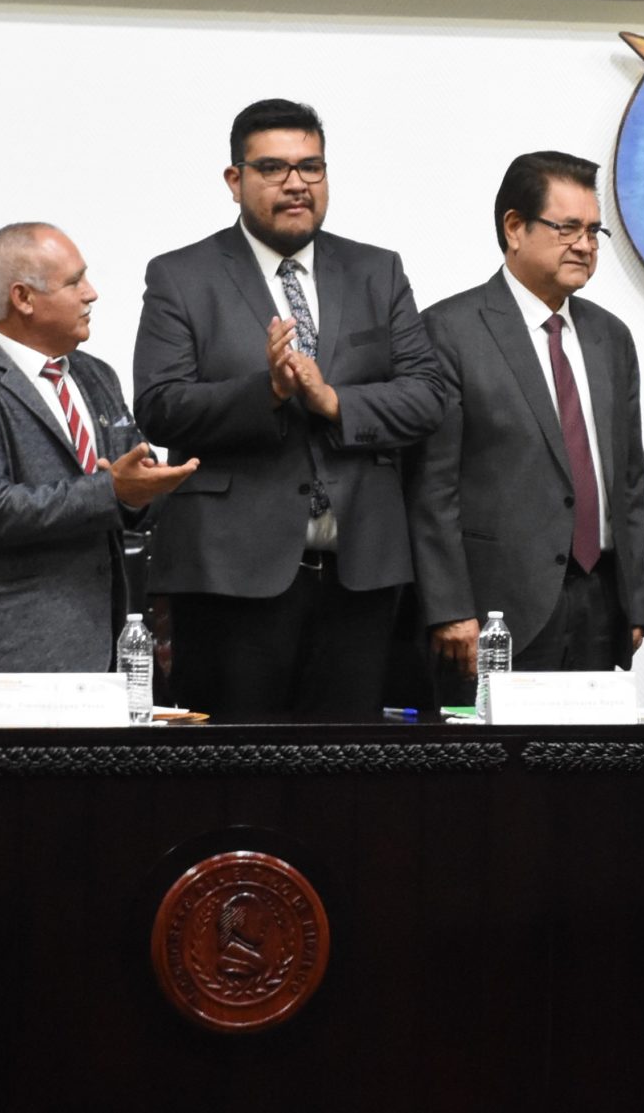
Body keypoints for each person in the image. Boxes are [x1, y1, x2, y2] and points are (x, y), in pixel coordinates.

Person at [133, 98, 448, 719]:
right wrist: (268, 392)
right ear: (235, 180)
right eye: (274, 168)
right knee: (233, 776)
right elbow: (160, 406)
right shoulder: (182, 276)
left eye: (312, 167)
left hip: (360, 571)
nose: (297, 183)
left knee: (346, 785)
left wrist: (334, 401)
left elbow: (427, 394)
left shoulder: (376, 272)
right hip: (230, 574)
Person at [0, 223, 199, 711]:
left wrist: (148, 490)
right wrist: (114, 491)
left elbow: (129, 484)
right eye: (74, 282)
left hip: (103, 663)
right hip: (4, 665)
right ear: (23, 297)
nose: (92, 294)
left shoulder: (94, 375)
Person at [409, 152, 644, 688]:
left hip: (599, 601)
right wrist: (449, 607)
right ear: (515, 228)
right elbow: (432, 488)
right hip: (497, 610)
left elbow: (629, 480)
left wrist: (635, 599)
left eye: (594, 231)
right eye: (568, 228)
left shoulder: (611, 337)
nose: (586, 245)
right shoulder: (450, 331)